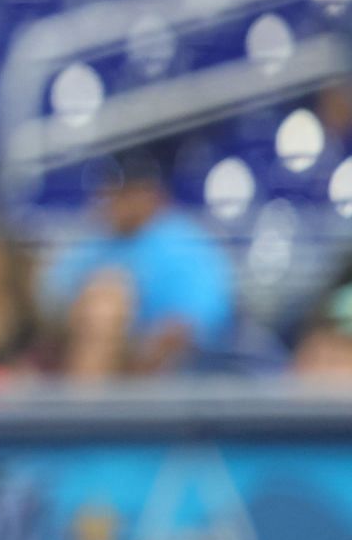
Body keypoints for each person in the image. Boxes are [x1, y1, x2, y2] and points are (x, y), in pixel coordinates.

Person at [43, 149, 235, 376]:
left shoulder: (183, 239)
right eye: (115, 189)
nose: (121, 200)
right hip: (103, 357)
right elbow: (51, 300)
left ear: (153, 192)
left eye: (130, 191)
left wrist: (145, 358)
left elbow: (202, 319)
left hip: (177, 368)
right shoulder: (95, 236)